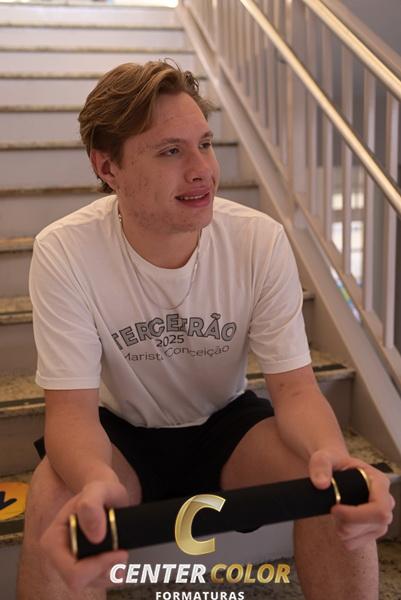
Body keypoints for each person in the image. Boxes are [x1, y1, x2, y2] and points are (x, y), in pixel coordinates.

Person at [17, 60, 394, 600]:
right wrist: (96, 482)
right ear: (108, 167)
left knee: (336, 487)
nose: (202, 170)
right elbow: (71, 413)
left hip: (226, 426)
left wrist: (332, 456)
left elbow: (295, 390)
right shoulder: (65, 250)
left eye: (206, 144)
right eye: (171, 151)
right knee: (54, 500)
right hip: (120, 434)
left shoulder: (258, 240)